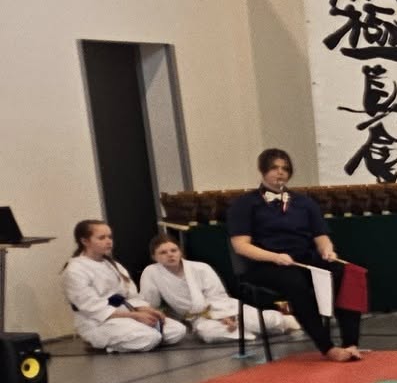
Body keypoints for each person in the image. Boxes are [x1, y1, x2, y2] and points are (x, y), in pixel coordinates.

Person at [226, 148, 364, 362]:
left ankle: (350, 342)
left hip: (302, 259)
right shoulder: (245, 204)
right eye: (274, 168)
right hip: (264, 265)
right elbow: (241, 246)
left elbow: (321, 236)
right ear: (263, 170)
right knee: (294, 282)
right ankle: (326, 347)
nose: (280, 173)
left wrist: (328, 250)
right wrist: (275, 257)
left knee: (347, 273)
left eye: (285, 168)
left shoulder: (304, 202)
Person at [140, 233, 296, 343]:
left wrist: (222, 316)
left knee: (259, 321)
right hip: (198, 318)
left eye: (173, 250)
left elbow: (217, 297)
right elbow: (149, 301)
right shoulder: (151, 273)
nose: (170, 255)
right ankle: (243, 331)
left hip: (225, 310)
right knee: (207, 333)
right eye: (163, 252)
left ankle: (283, 320)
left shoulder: (201, 268)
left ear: (180, 252)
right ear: (154, 257)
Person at [61, 220, 187, 351]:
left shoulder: (113, 265)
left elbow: (131, 296)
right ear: (85, 241)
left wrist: (146, 310)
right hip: (98, 322)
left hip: (126, 314)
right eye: (102, 238)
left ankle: (142, 337)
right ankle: (101, 342)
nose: (108, 241)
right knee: (149, 337)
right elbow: (93, 308)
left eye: (110, 237)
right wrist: (135, 316)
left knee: (177, 330)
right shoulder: (75, 270)